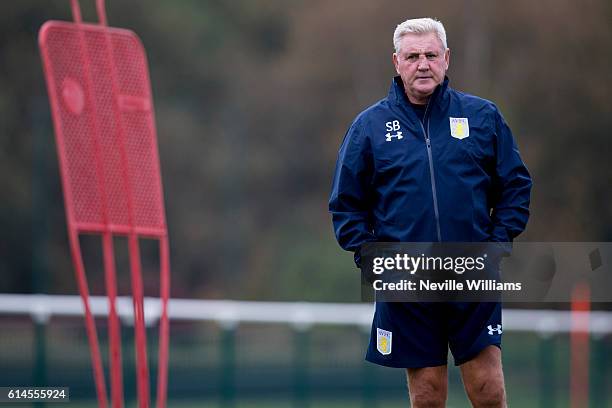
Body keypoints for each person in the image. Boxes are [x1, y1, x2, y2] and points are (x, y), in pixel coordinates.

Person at [329, 18, 532, 407]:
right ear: (396, 62)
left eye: (431, 55)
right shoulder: (369, 127)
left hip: (472, 275)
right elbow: (345, 204)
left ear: (446, 59)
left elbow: (516, 186)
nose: (423, 64)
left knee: (488, 390)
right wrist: (375, 259)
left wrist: (496, 243)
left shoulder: (483, 117)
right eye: (413, 56)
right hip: (408, 280)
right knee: (427, 396)